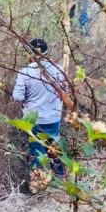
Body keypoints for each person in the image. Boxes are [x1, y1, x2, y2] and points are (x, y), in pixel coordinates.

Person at [11, 39, 67, 180]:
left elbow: (17, 97)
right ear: (47, 54)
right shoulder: (59, 69)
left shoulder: (25, 72)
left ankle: (39, 182)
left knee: (37, 152)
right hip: (54, 118)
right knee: (54, 148)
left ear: (30, 54)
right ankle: (60, 178)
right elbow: (66, 92)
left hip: (34, 120)